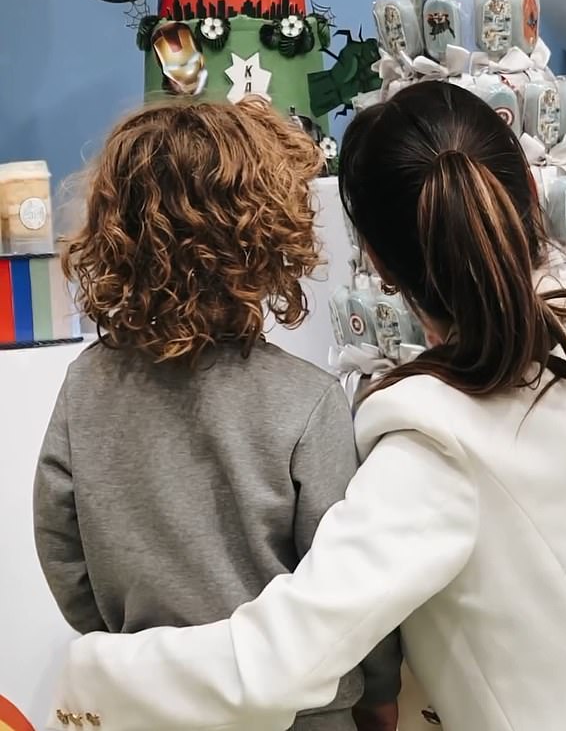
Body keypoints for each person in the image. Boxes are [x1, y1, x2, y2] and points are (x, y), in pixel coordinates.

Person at [48, 81, 566, 731]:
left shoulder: (429, 434)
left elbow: (289, 653)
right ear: (530, 185)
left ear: (377, 263)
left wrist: (93, 669)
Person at [34, 97, 400, 731]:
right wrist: (379, 691)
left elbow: (62, 550)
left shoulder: (84, 388)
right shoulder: (307, 400)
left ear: (113, 232)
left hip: (147, 706)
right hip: (297, 713)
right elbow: (349, 586)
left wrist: (135, 648)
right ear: (268, 239)